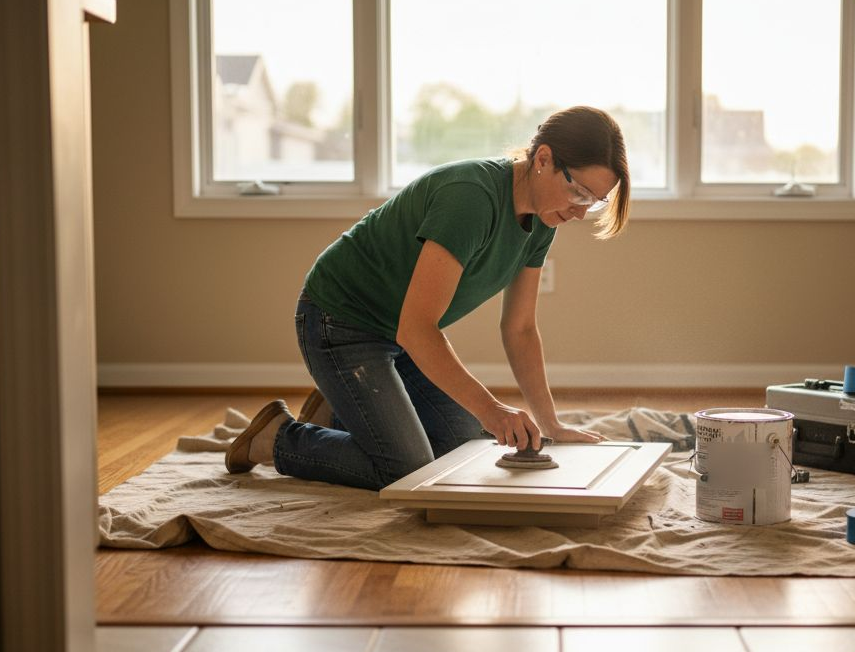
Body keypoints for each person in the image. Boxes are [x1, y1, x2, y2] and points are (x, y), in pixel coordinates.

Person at [225, 106, 631, 490]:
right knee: (405, 469)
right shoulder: (470, 198)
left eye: (594, 202)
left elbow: (520, 328)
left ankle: (339, 415)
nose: (580, 213)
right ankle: (275, 437)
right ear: (543, 158)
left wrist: (551, 425)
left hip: (398, 334)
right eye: (578, 193)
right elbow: (418, 329)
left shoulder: (544, 220)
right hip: (340, 319)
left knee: (462, 450)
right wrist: (492, 409)